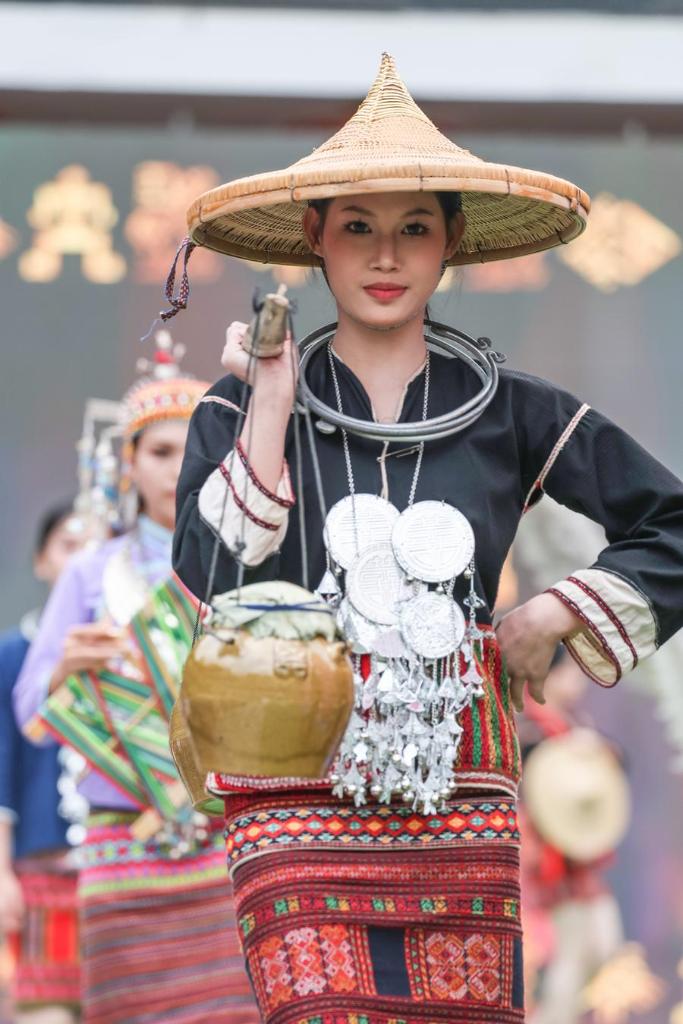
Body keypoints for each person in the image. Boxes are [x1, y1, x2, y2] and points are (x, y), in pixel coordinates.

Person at [173, 55, 683, 1023]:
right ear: (314, 238)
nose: (384, 256)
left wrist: (556, 610)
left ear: (449, 243)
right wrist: (270, 402)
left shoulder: (515, 409)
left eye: (412, 228)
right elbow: (209, 577)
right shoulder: (238, 405)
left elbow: (672, 523)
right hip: (291, 788)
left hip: (462, 785)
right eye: (356, 227)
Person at [14, 337, 259, 1024]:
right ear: (128, 463)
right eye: (158, 451)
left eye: (193, 447)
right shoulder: (90, 572)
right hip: (123, 831)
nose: (177, 466)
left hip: (224, 832)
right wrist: (70, 666)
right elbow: (31, 715)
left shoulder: (241, 565)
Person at [0, 502, 88, 1024]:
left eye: (91, 548)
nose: (80, 560)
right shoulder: (12, 654)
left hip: (121, 868)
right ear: (40, 560)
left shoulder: (129, 648)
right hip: (41, 877)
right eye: (67, 545)